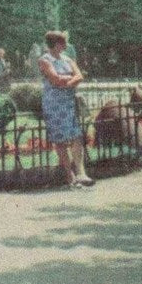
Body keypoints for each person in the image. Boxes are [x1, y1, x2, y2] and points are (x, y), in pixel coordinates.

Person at [38, 31, 93, 188]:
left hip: (68, 102)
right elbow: (54, 79)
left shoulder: (67, 59)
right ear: (55, 44)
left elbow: (80, 76)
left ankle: (81, 173)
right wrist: (70, 80)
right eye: (63, 43)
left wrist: (66, 82)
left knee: (76, 136)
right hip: (54, 104)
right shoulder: (44, 60)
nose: (65, 46)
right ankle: (70, 176)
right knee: (60, 140)